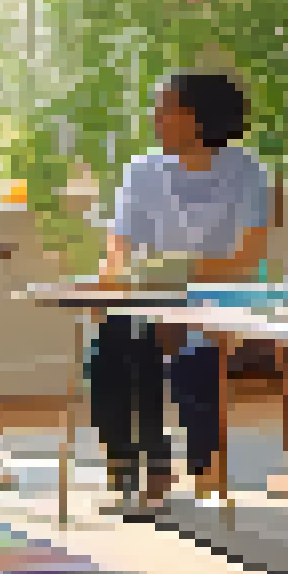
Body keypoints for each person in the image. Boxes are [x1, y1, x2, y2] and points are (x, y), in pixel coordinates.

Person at [91, 72, 271, 511]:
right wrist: (108, 281)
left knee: (184, 354)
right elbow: (119, 249)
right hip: (151, 299)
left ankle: (199, 464)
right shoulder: (142, 171)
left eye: (165, 109)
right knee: (113, 344)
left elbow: (246, 258)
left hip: (218, 300)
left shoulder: (245, 172)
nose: (156, 119)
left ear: (197, 118)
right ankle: (139, 462)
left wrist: (174, 274)